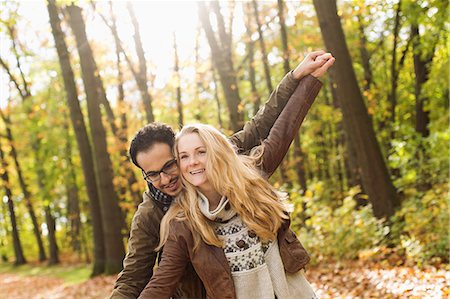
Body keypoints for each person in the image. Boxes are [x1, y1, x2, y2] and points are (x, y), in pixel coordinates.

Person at [110, 51, 334, 298]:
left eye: (169, 166)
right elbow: (138, 279)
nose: (164, 179)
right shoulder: (161, 217)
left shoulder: (216, 162)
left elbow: (264, 126)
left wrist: (296, 77)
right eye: (152, 174)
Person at [138, 122, 327, 299]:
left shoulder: (250, 185)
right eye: (184, 156)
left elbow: (282, 129)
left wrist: (304, 84)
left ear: (216, 153)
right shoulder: (183, 223)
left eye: (201, 152)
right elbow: (161, 282)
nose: (193, 162)